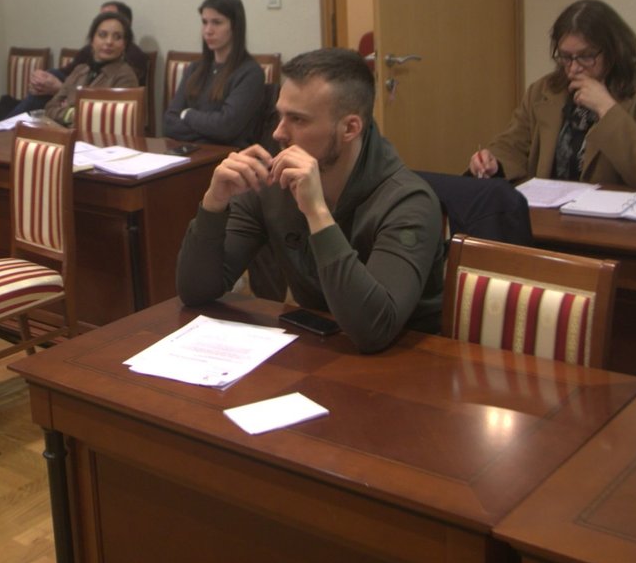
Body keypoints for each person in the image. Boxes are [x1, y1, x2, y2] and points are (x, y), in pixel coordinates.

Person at [177, 48, 443, 353]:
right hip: (321, 351)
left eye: (298, 120)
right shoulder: (274, 182)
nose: (278, 133)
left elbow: (374, 329)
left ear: (350, 128)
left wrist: (317, 212)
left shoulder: (409, 202)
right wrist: (214, 202)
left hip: (408, 362)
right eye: (280, 115)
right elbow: (196, 291)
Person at [469, 0, 636, 189]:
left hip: (614, 212)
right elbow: (512, 145)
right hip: (549, 210)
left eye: (586, 56)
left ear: (613, 51)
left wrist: (606, 107)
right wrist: (493, 162)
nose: (574, 68)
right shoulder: (543, 90)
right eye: (566, 57)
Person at [162, 0, 265, 148]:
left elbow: (226, 127)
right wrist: (208, 134)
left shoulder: (250, 73)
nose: (208, 30)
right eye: (204, 22)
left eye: (217, 22)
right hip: (190, 152)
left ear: (235, 26)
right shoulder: (195, 69)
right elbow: (169, 123)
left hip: (229, 157)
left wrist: (187, 114)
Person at [28, 11, 140, 126]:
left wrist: (70, 110)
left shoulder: (125, 76)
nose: (109, 42)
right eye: (102, 35)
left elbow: (106, 119)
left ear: (124, 44)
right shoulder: (80, 70)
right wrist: (71, 113)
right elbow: (50, 109)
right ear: (92, 40)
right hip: (65, 134)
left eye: (117, 37)